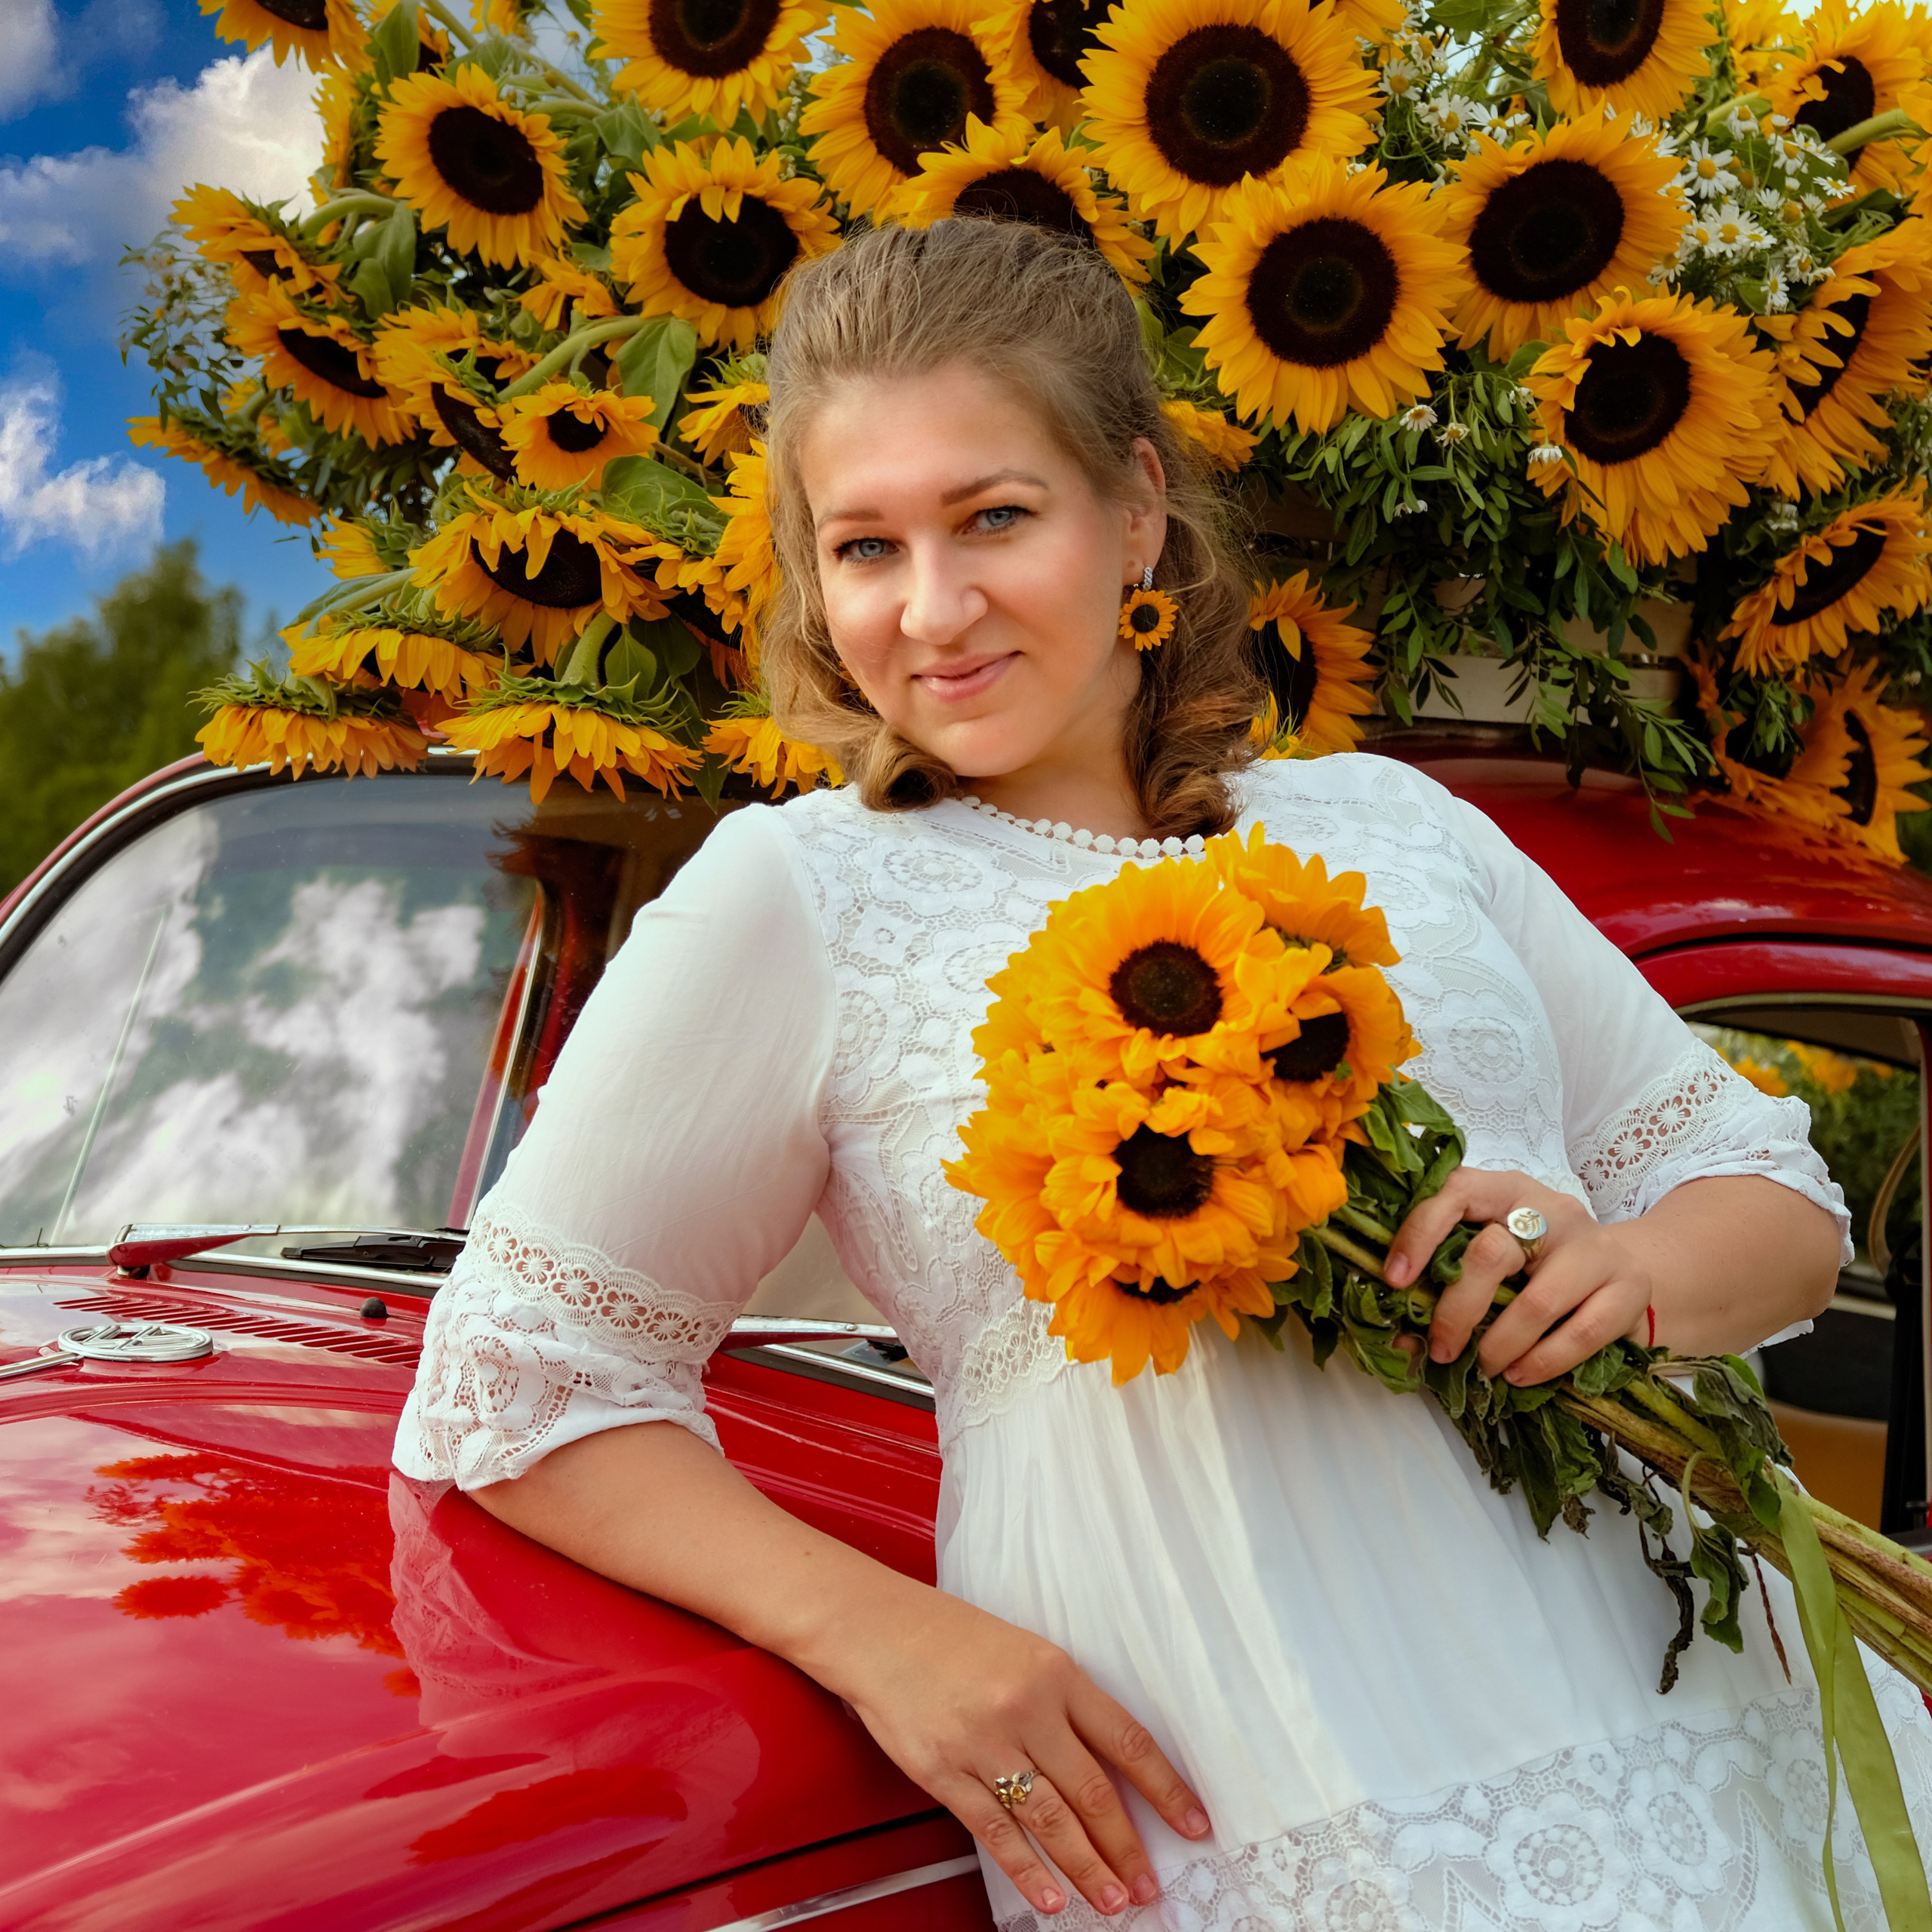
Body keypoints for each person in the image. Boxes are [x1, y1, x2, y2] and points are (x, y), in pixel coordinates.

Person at [396, 220, 1932, 1928]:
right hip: (1260, 1795)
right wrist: (884, 1637)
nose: (931, 609)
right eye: (864, 546)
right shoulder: (795, 895)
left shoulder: (1394, 823)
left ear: (1134, 507)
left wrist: (1624, 1270)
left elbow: (1773, 1204)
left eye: (994, 517)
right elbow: (522, 1382)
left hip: (1707, 1725)